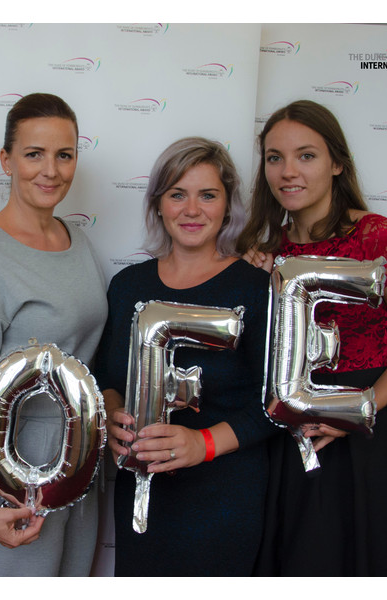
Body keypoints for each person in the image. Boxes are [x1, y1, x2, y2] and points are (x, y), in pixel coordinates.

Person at [238, 99, 387, 576]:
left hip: (365, 433)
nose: (288, 171)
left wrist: (358, 411)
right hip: (287, 434)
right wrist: (255, 284)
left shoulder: (376, 237)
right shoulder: (262, 249)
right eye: (275, 157)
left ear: (337, 163)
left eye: (306, 155)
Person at [94, 137, 275, 576]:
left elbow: (275, 404)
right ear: (158, 204)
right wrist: (113, 414)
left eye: (207, 195)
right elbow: (108, 376)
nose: (192, 210)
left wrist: (202, 443)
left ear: (227, 205)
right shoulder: (128, 286)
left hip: (225, 499)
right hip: (144, 498)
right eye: (177, 194)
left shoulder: (256, 288)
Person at [0, 93, 108, 576]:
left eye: (64, 155)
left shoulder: (78, 240)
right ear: (7, 160)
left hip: (80, 458)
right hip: (17, 469)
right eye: (34, 154)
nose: (50, 170)